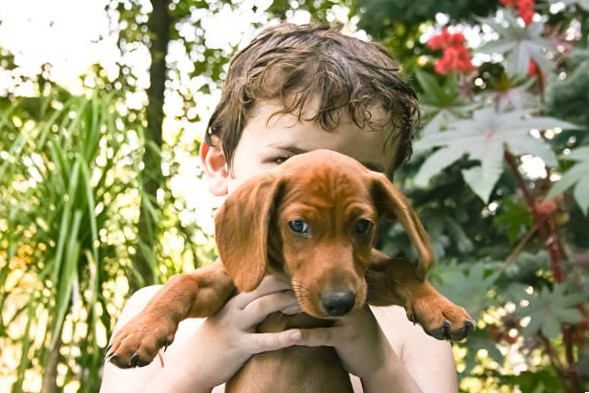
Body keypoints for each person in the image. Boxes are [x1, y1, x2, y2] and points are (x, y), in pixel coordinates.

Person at [100, 23, 458, 393]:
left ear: (382, 199)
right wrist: (196, 370)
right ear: (222, 166)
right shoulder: (154, 315)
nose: (325, 176)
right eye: (288, 159)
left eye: (357, 169)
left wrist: (380, 367)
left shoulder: (411, 326)